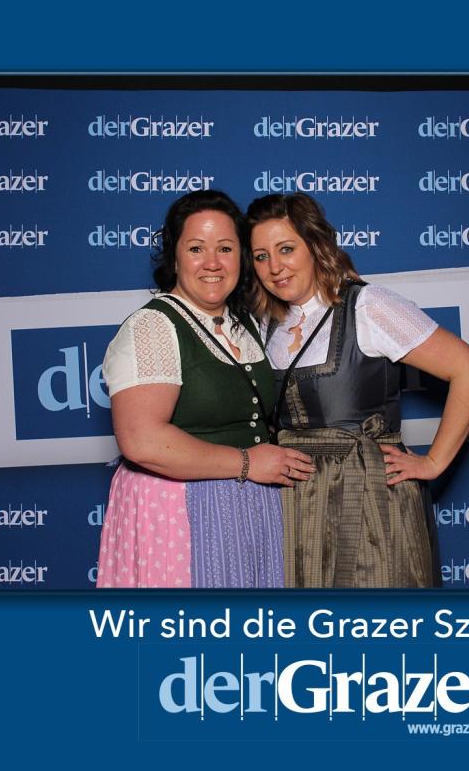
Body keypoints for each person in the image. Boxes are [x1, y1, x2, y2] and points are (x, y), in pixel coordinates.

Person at [246, 192, 469, 588]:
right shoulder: (265, 324)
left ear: (316, 245)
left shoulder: (368, 306)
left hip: (365, 496)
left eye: (286, 249)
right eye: (261, 256)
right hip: (294, 503)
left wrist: (433, 462)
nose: (275, 267)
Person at [97, 190, 315, 588]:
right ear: (174, 257)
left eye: (225, 248)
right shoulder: (153, 326)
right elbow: (142, 441)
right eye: (196, 248)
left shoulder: (245, 323)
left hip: (248, 506)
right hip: (177, 511)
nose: (212, 263)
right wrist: (248, 463)